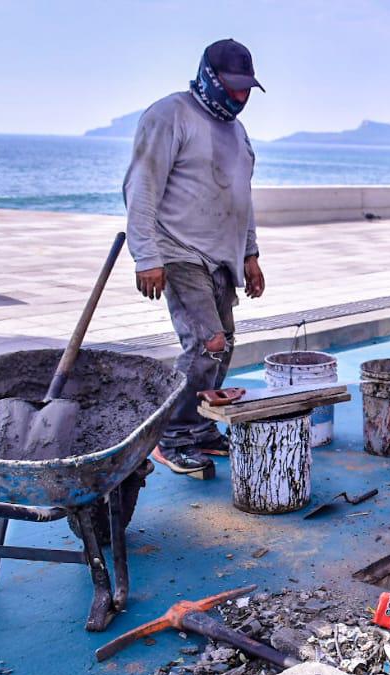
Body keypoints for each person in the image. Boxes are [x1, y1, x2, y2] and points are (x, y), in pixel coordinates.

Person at [124, 39, 267, 475]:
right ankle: (170, 436)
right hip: (178, 250)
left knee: (224, 348)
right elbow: (141, 186)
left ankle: (199, 430)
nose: (241, 98)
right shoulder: (171, 115)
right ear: (209, 77)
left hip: (221, 257)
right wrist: (146, 255)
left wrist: (250, 253)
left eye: (247, 89)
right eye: (233, 87)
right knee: (208, 344)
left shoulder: (237, 133)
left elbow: (242, 197)